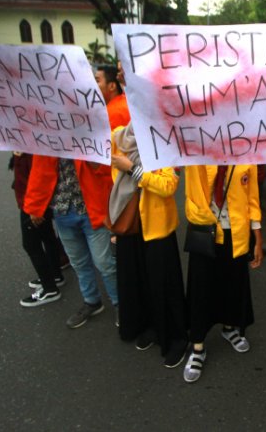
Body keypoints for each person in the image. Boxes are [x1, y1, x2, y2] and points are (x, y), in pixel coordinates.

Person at [109, 124, 189, 367]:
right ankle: (152, 327)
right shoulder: (119, 136)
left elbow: (168, 186)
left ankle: (177, 339)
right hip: (131, 224)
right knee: (141, 281)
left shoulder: (166, 140)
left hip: (158, 227)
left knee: (165, 285)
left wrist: (133, 170)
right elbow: (114, 175)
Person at [183, 163, 264, 383]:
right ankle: (197, 346)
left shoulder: (246, 153)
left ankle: (230, 326)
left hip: (236, 232)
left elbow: (252, 197)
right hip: (205, 229)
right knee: (201, 286)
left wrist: (257, 237)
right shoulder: (197, 149)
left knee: (232, 282)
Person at [24, 155, 118, 328]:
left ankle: (120, 303)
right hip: (63, 212)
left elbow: (109, 167)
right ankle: (91, 301)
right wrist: (35, 206)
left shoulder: (90, 131)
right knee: (79, 263)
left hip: (93, 209)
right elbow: (40, 170)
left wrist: (96, 162)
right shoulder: (48, 135)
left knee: (104, 263)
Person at [11, 152, 64, 307]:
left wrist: (36, 206)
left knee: (31, 244)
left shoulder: (29, 147)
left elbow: (37, 174)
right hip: (37, 198)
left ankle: (49, 288)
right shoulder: (27, 143)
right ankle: (55, 275)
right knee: (47, 236)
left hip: (33, 200)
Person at [95, 64, 130, 130]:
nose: (92, 84)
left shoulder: (112, 113)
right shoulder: (128, 102)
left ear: (112, 86)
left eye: (97, 81)